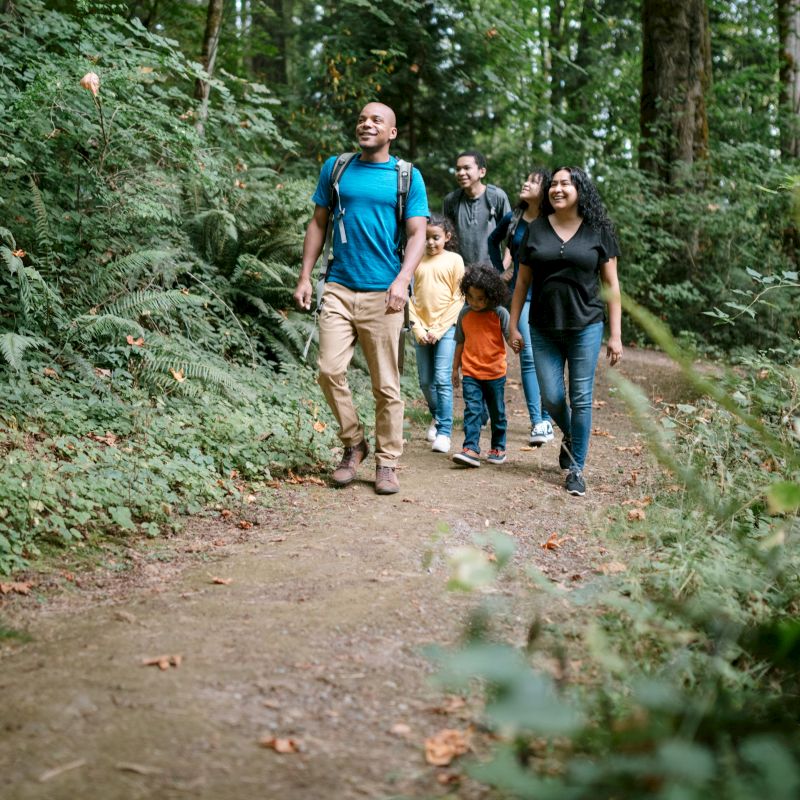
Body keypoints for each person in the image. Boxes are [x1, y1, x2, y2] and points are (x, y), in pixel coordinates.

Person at [293, 102, 429, 495]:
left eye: (377, 121)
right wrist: (305, 276)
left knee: (386, 386)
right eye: (362, 119)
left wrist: (403, 279)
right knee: (328, 371)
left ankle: (388, 462)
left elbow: (418, 234)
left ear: (392, 133)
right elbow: (319, 222)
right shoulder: (337, 168)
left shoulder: (407, 177)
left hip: (384, 294)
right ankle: (354, 444)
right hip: (338, 286)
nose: (367, 124)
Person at [509, 166, 622, 497]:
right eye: (553, 185)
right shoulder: (536, 229)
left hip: (585, 325)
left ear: (580, 190)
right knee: (552, 396)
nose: (557, 189)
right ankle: (573, 433)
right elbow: (522, 282)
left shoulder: (598, 231)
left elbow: (612, 286)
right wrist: (513, 324)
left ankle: (576, 469)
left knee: (582, 397)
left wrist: (614, 335)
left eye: (565, 184)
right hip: (542, 326)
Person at [488, 167, 554, 448]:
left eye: (532, 181)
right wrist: (498, 271)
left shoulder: (553, 219)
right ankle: (538, 420)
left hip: (550, 296)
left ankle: (550, 416)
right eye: (525, 179)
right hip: (520, 293)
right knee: (527, 354)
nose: (525, 184)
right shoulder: (514, 218)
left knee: (550, 357)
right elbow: (493, 241)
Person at [409, 213, 465, 455]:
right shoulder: (414, 259)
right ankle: (438, 417)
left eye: (436, 237)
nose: (431, 242)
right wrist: (419, 328)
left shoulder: (454, 260)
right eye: (427, 237)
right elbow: (407, 296)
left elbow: (458, 297)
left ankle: (444, 432)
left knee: (442, 379)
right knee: (425, 381)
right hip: (420, 329)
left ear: (447, 237)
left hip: (447, 329)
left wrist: (439, 330)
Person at [451, 265, 511, 468]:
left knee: (497, 412)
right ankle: (471, 448)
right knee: (473, 410)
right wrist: (454, 369)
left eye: (480, 298)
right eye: (470, 297)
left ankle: (498, 447)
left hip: (495, 372)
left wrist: (517, 343)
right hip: (471, 373)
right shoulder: (464, 314)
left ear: (492, 296)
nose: (474, 303)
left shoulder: (500, 313)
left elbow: (511, 337)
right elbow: (459, 342)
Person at [443, 150, 511, 265]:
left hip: (492, 274)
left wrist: (502, 269)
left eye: (466, 168)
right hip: (461, 274)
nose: (461, 173)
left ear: (482, 172)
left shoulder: (497, 197)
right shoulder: (451, 200)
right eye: (458, 169)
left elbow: (511, 236)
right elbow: (445, 239)